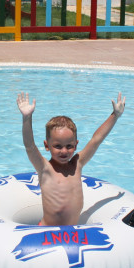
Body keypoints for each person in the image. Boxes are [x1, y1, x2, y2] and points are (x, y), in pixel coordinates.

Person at [17, 92, 126, 226]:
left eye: (69, 146)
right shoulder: (45, 168)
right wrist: (27, 118)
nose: (64, 151)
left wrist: (115, 115)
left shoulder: (77, 164)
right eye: (58, 146)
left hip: (72, 233)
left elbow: (96, 139)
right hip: (46, 232)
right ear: (47, 146)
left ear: (76, 145)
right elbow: (30, 146)